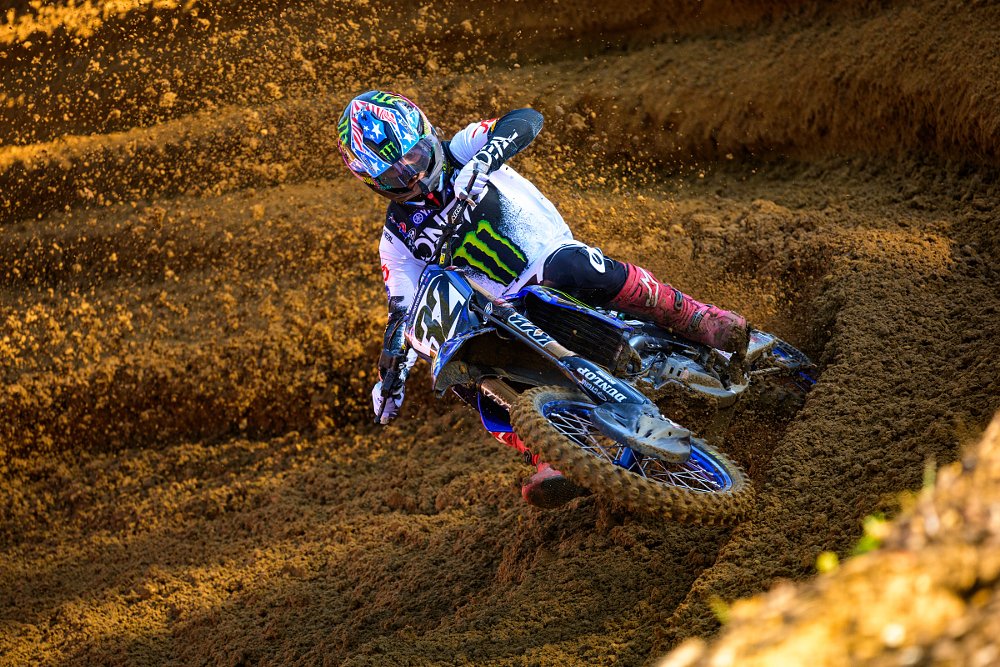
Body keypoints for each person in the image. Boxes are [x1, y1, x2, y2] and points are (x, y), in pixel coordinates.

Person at [337, 90, 749, 509]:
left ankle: (695, 316)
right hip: (501, 311)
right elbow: (403, 310)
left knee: (576, 269)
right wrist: (392, 372)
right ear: (374, 184)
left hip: (544, 257)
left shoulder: (461, 148)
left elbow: (525, 118)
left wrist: (486, 158)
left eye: (416, 157)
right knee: (465, 374)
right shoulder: (396, 241)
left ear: (429, 135)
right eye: (393, 176)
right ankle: (552, 453)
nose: (413, 176)